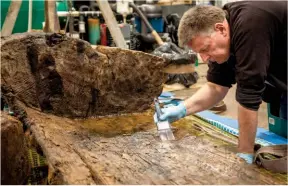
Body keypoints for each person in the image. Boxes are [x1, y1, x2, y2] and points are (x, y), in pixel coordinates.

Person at [159, 1, 287, 164]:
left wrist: (245, 153)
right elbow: (216, 86)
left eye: (205, 49)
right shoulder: (222, 36)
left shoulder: (250, 23)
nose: (204, 58)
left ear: (221, 29)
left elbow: (249, 95)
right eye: (200, 52)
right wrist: (182, 109)